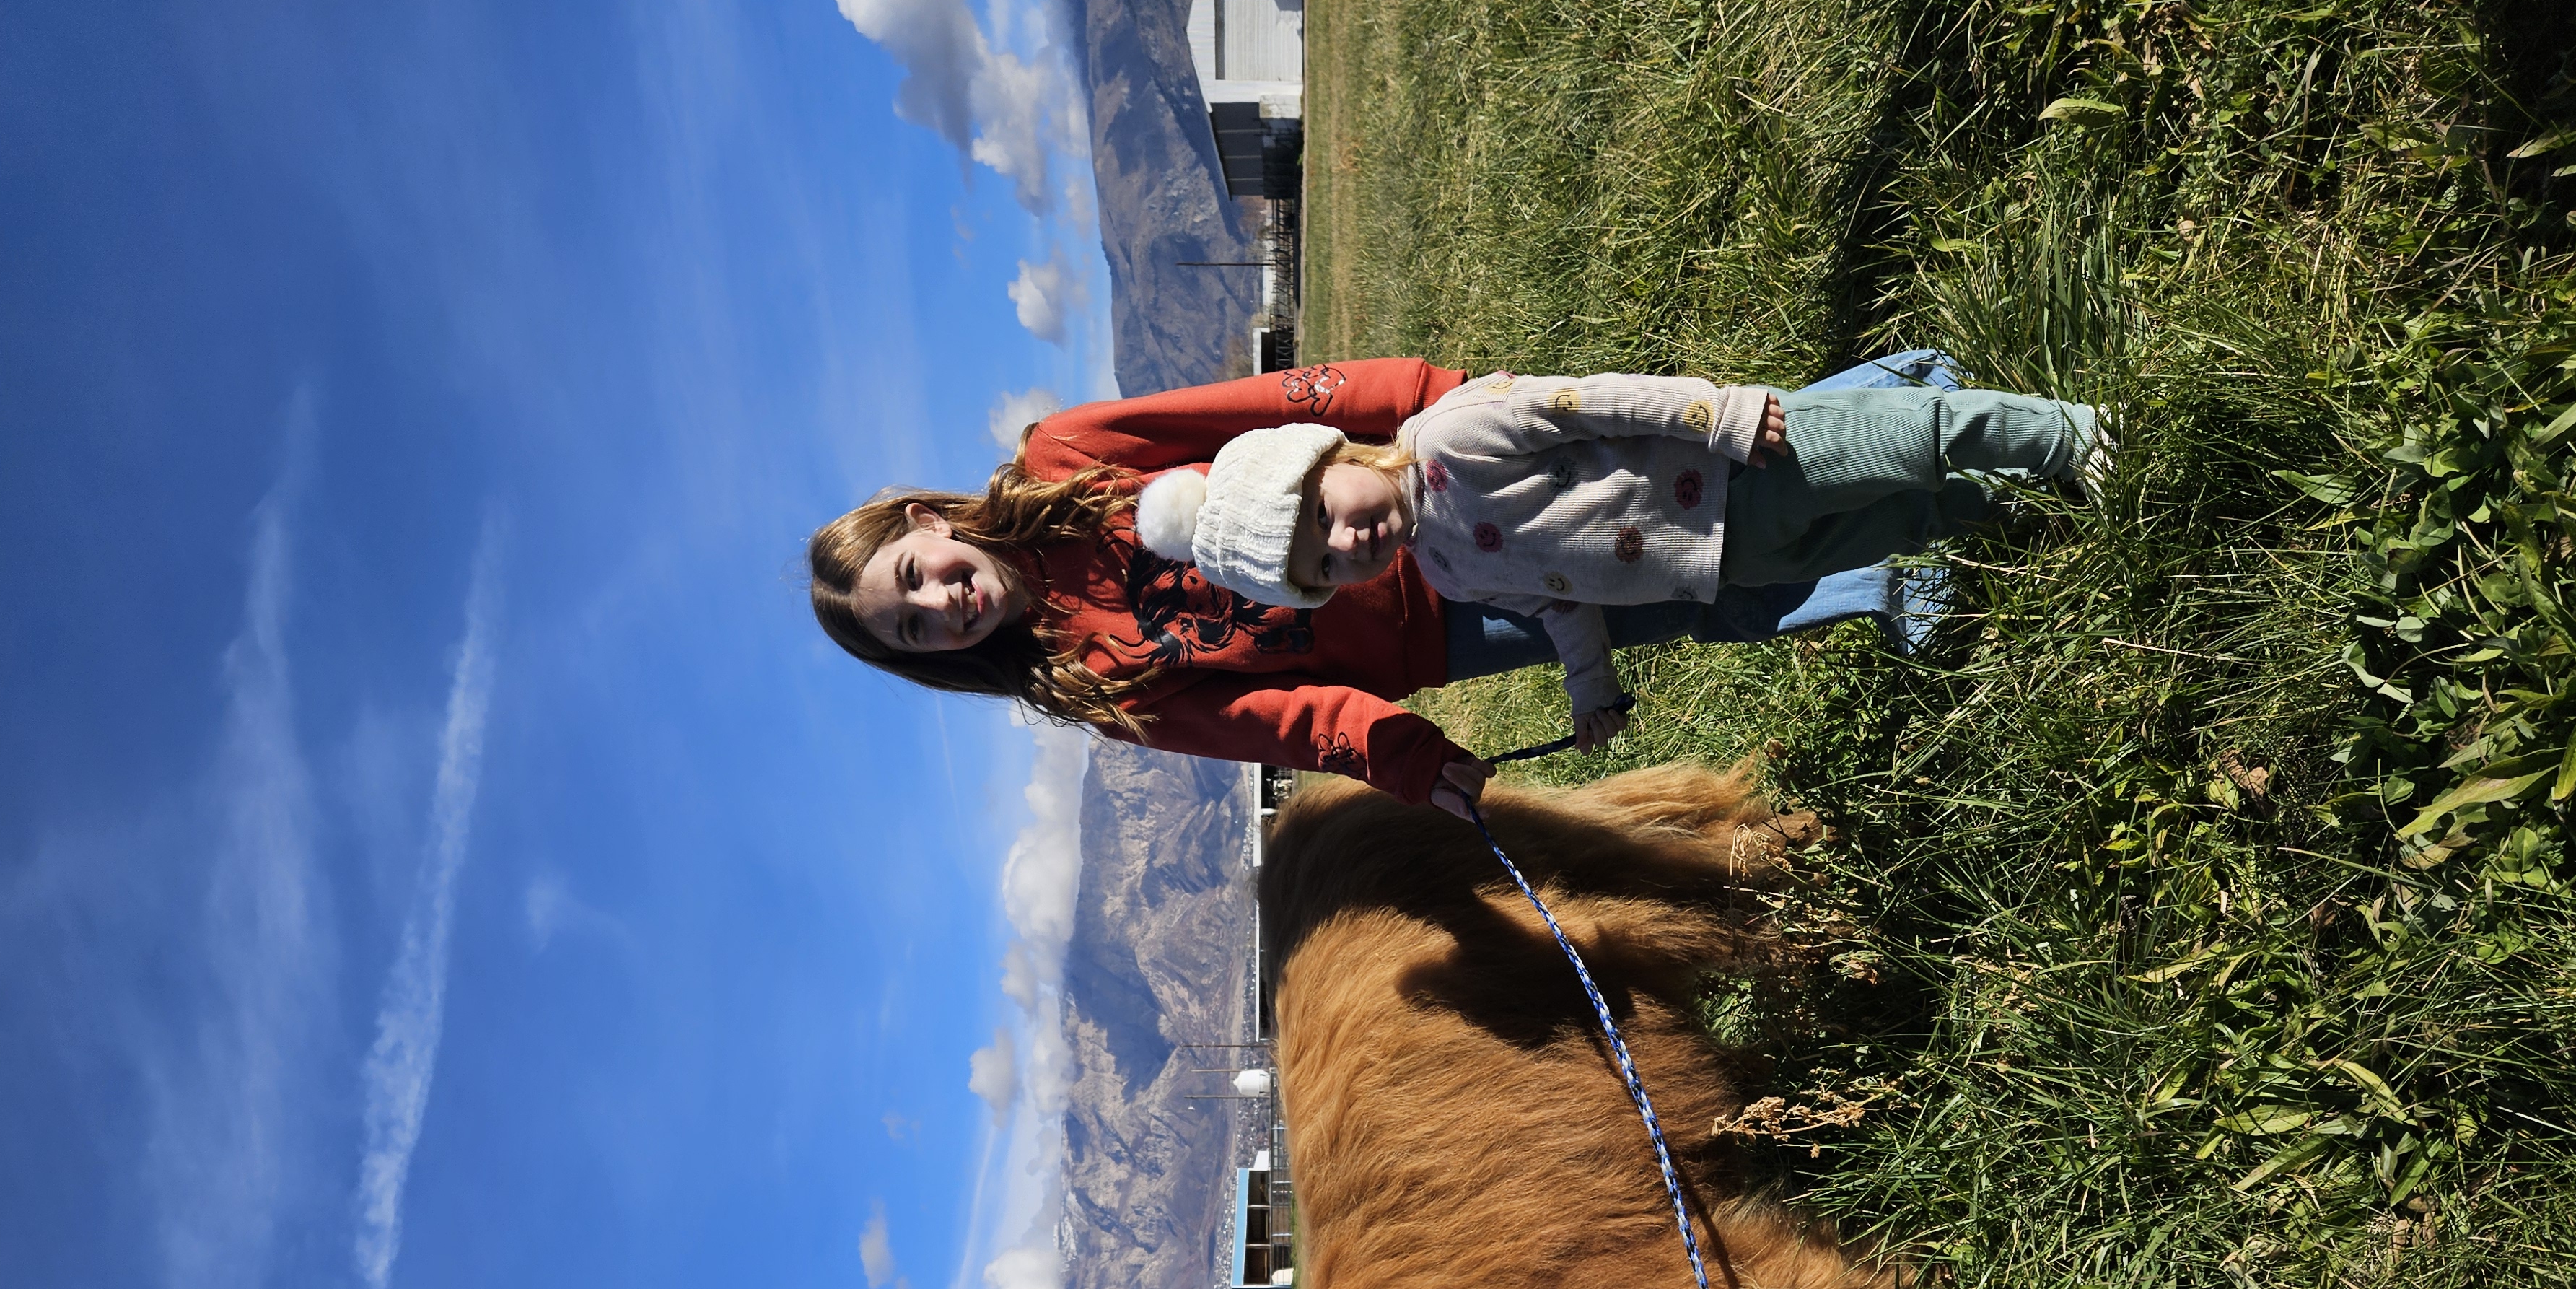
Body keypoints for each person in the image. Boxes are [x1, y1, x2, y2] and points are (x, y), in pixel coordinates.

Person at [805, 359, 1967, 816]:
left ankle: (1884, 414)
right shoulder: (1093, 686)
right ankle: (1883, 560)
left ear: (924, 524)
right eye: (915, 632)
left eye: (918, 578)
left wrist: (1418, 392)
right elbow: (1280, 720)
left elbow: (1259, 411)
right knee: (1669, 595)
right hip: (1440, 639)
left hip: (1398, 497)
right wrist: (1409, 760)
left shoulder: (1069, 457)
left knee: (1657, 493)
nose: (943, 605)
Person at [1139, 371, 2103, 809]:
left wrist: (1718, 413)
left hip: (1739, 471)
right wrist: (1588, 686)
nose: (1349, 541)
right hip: (1720, 563)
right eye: (1328, 567)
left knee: (1903, 440)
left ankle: (2070, 436)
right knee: (1893, 524)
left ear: (1332, 456)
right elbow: (1559, 602)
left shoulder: (1452, 436)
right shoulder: (1444, 568)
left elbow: (1588, 402)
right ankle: (2020, 501)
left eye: (1325, 515)